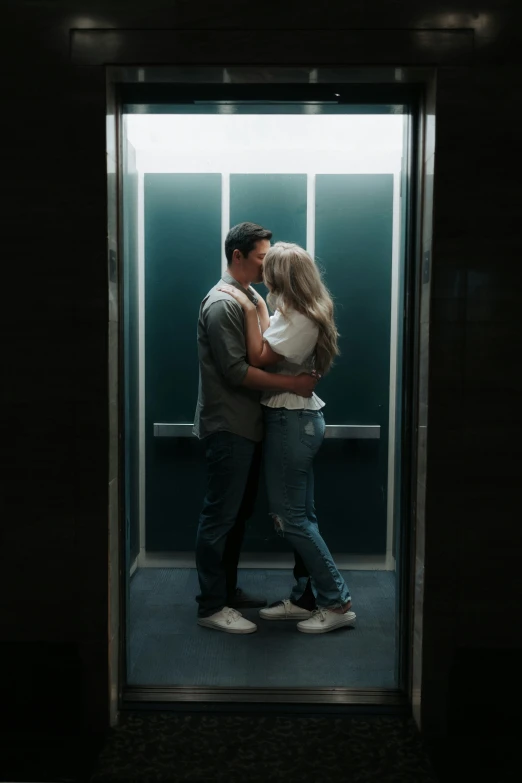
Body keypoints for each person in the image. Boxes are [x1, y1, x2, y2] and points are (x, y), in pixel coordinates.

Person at [219, 241, 356, 634]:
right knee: (301, 516)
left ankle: (337, 601)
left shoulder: (300, 319)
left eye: (269, 270)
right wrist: (262, 306)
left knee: (291, 518)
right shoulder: (295, 311)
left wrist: (251, 305)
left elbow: (258, 356)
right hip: (292, 419)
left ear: (283, 275)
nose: (263, 276)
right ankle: (306, 597)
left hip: (290, 421)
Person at [194, 224, 319, 634]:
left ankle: (227, 591)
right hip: (229, 426)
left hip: (247, 426)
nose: (269, 267)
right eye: (263, 259)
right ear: (237, 256)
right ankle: (212, 606)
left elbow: (264, 347)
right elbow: (237, 372)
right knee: (220, 517)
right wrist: (294, 385)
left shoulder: (249, 298)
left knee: (237, 515)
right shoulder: (221, 303)